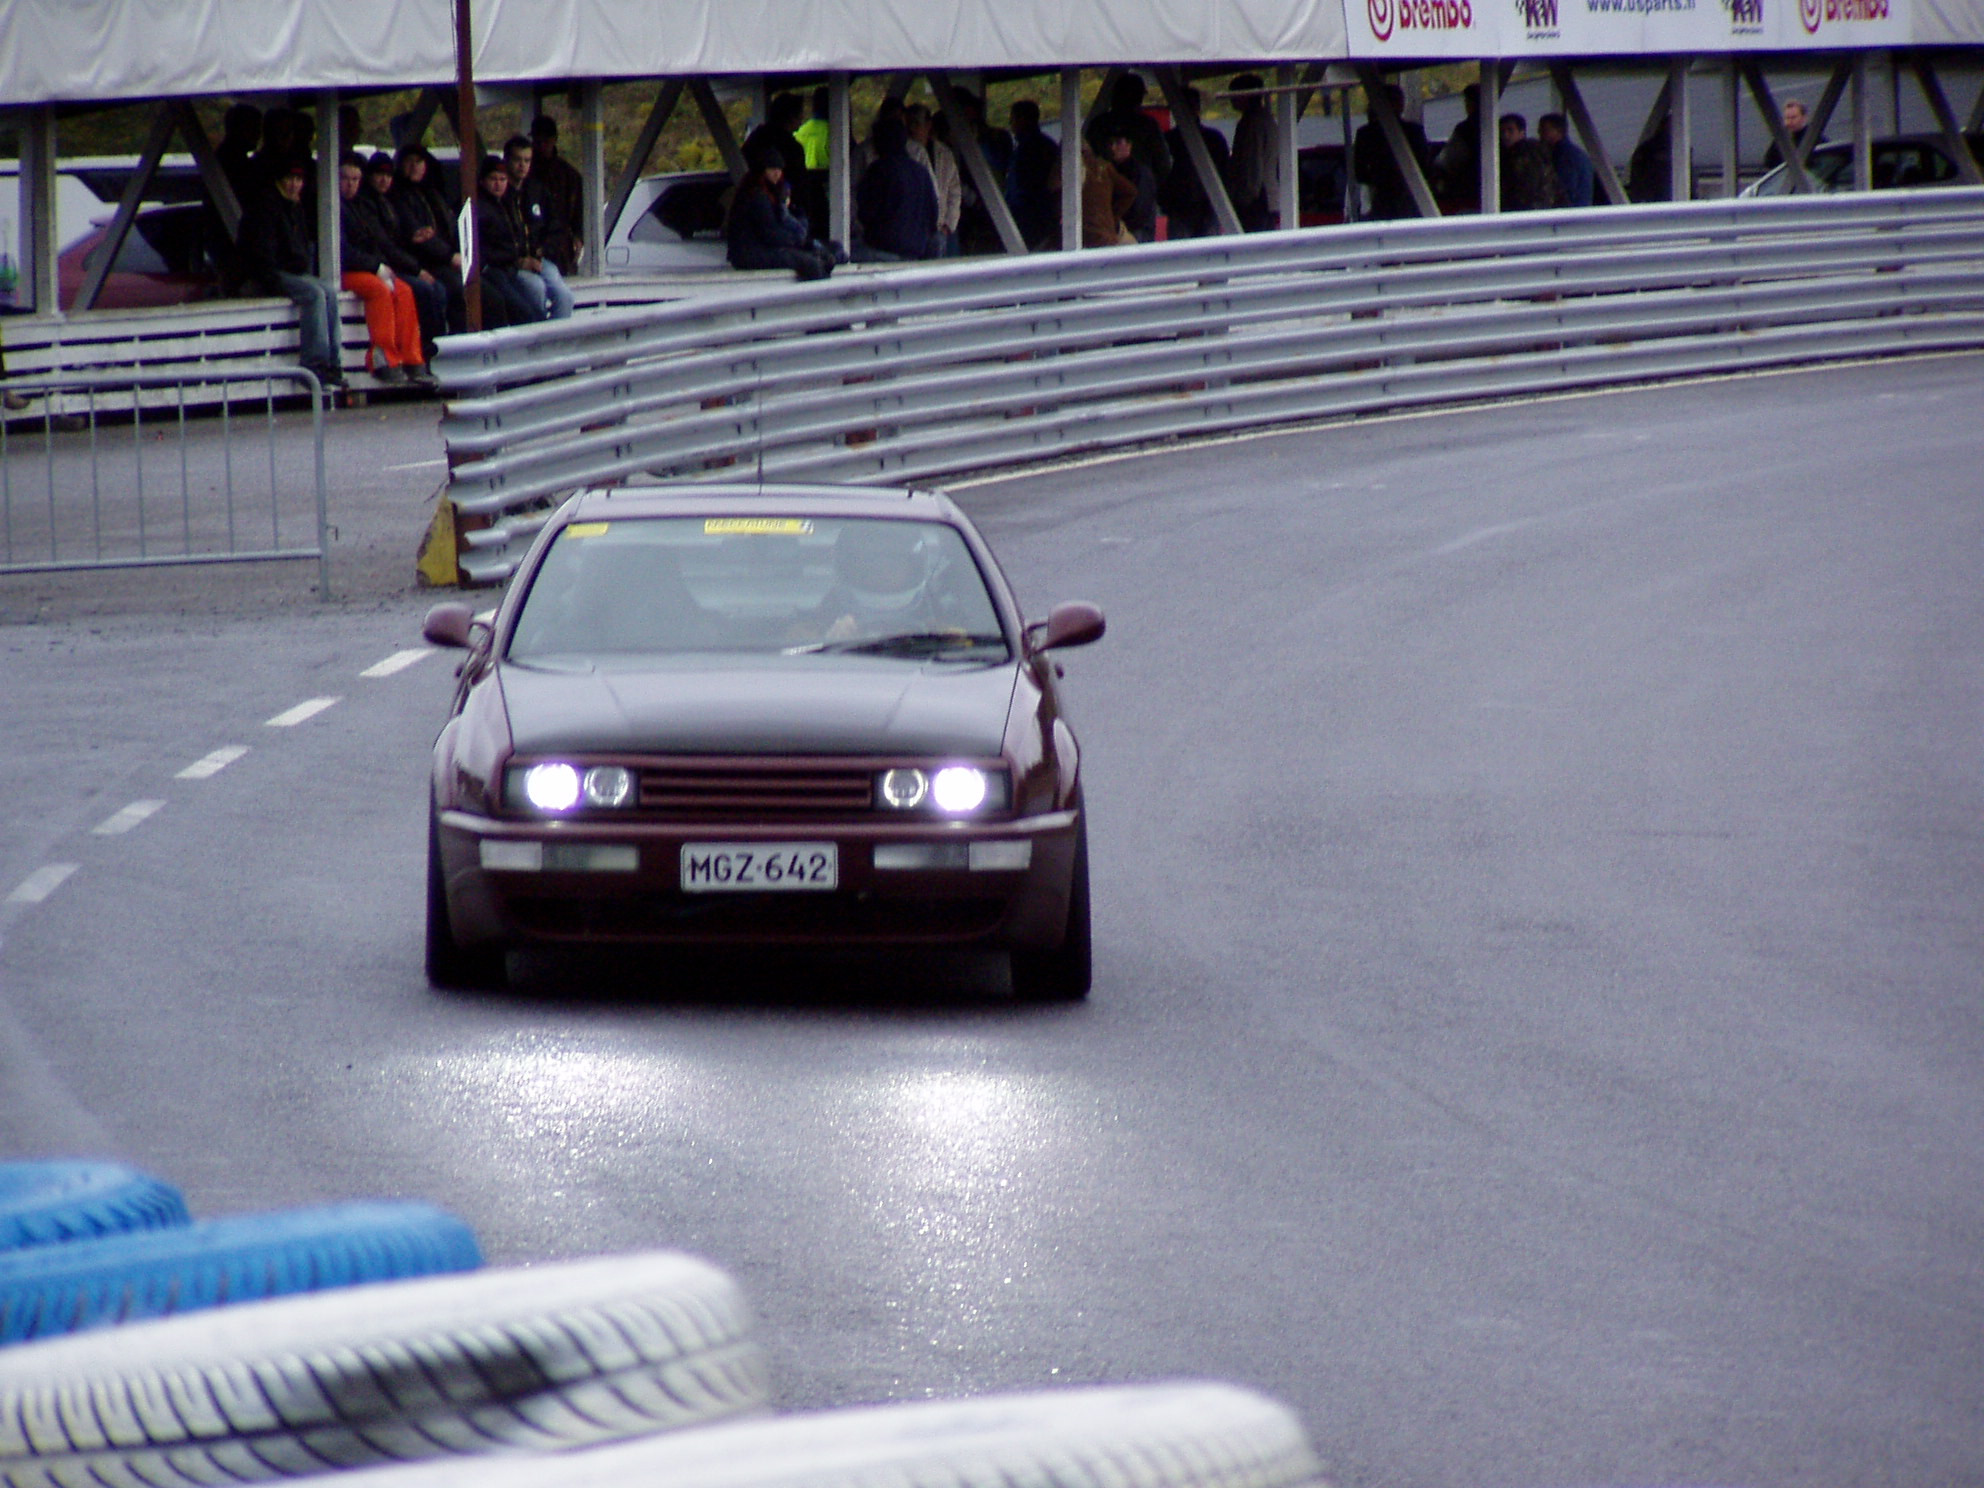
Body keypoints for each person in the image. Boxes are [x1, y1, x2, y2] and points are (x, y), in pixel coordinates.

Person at [235, 157, 343, 388]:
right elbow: (260, 254)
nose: (294, 185)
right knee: (313, 294)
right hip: (270, 273)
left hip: (292, 271)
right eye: (289, 179)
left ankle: (334, 364)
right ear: (279, 180)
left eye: (298, 179)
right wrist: (272, 277)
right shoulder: (265, 207)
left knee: (329, 291)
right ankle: (314, 366)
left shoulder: (294, 206)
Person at [335, 152, 432, 386]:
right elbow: (342, 251)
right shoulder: (332, 206)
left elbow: (375, 242)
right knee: (379, 290)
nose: (350, 185)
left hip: (368, 267)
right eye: (345, 179)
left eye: (356, 179)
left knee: (404, 290)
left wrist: (381, 265)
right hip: (342, 270)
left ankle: (412, 359)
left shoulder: (361, 206)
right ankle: (383, 358)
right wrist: (375, 266)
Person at [360, 152, 450, 361]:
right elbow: (384, 245)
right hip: (384, 267)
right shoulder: (368, 204)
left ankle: (438, 346)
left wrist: (413, 239)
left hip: (396, 263)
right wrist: (416, 268)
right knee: (424, 289)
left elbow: (396, 240)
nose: (384, 180)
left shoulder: (386, 201)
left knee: (439, 288)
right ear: (370, 177)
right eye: (379, 175)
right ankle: (426, 351)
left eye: (388, 176)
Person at [725, 142, 835, 279]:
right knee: (809, 262)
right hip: (750, 253)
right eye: (772, 169)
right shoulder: (756, 195)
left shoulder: (771, 192)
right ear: (762, 170)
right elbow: (770, 233)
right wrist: (797, 241)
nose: (777, 173)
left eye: (779, 169)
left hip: (759, 249)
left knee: (823, 254)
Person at [392, 145, 467, 335]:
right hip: (424, 261)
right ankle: (441, 346)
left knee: (479, 287)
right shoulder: (399, 196)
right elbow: (418, 235)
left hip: (446, 258)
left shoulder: (432, 193)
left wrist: (458, 252)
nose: (414, 167)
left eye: (419, 162)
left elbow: (449, 227)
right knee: (452, 289)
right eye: (409, 162)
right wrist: (450, 256)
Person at [503, 136, 574, 319]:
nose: (522, 166)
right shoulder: (499, 195)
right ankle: (539, 338)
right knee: (536, 290)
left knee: (564, 296)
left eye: (527, 160)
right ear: (507, 161)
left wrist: (544, 249)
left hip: (540, 259)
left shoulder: (537, 190)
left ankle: (558, 342)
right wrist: (519, 260)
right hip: (513, 265)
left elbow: (555, 227)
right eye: (517, 160)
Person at [472, 154, 546, 329]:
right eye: (493, 179)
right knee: (521, 310)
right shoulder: (479, 208)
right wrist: (514, 258)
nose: (498, 184)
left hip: (510, 268)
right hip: (491, 270)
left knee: (534, 304)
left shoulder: (507, 203)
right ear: (482, 181)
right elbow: (483, 249)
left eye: (502, 179)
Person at [855, 114, 938, 261]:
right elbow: (933, 213)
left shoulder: (878, 170)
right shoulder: (921, 172)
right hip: (916, 250)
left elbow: (865, 211)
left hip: (882, 249)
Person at [1353, 83, 1434, 220]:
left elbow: (1359, 172)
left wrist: (1376, 178)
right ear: (1400, 104)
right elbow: (1426, 167)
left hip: (1380, 200)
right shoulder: (1413, 132)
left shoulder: (1366, 134)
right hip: (1411, 200)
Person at [1160, 86, 1232, 239]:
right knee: (1187, 256)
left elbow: (1226, 172)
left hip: (1207, 206)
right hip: (1182, 207)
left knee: (1199, 255)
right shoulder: (1213, 138)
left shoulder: (1170, 140)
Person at [1085, 73, 1171, 188]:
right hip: (1138, 187)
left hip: (1106, 188)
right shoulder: (1147, 125)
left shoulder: (1099, 124)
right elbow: (1163, 165)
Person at [528, 114, 586, 275]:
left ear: (554, 140)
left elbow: (579, 211)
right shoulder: (526, 172)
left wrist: (578, 236)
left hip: (561, 244)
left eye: (545, 141)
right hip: (533, 242)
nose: (541, 146)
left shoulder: (569, 175)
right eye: (537, 141)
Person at [904, 104, 962, 257]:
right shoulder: (903, 152)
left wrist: (949, 224)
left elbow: (954, 190)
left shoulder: (944, 153)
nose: (912, 128)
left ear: (928, 125)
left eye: (916, 123)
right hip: (914, 230)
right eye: (908, 123)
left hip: (942, 227)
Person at [1005, 99, 1060, 249]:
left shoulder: (1031, 148)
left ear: (1023, 119)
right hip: (1034, 212)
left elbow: (1030, 185)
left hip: (1031, 214)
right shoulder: (1043, 145)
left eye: (1013, 118)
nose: (1011, 123)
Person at [1228, 74, 1279, 231]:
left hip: (1257, 197)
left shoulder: (1252, 122)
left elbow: (1253, 162)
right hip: (1269, 195)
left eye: (1233, 94)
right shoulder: (1267, 119)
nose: (1231, 99)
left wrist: (1245, 198)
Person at [1499, 113, 1567, 210]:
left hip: (1532, 210)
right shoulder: (1511, 154)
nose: (1505, 135)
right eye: (1502, 131)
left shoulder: (1526, 153)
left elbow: (1530, 186)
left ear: (1522, 132)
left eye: (1510, 130)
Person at [1432, 83, 1482, 207]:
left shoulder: (1466, 129)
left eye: (1467, 102)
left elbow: (1448, 160)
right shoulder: (1498, 126)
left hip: (1467, 193)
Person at [1080, 140, 1136, 247]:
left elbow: (1052, 186)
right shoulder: (1103, 166)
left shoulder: (1067, 166)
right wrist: (1112, 216)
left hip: (1085, 233)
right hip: (1106, 231)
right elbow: (1130, 191)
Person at [1105, 130, 1158, 243]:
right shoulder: (1112, 169)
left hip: (1137, 230)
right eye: (1111, 143)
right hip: (1123, 228)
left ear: (1129, 145)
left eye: (1118, 143)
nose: (1113, 148)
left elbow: (1141, 207)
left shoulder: (1139, 173)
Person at [1536, 113, 1594, 207]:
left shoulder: (1565, 155)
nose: (1540, 133)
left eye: (1544, 130)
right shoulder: (1575, 153)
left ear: (1559, 131)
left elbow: (1566, 188)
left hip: (1570, 212)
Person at [1762, 98, 1821, 170]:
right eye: (1787, 118)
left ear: (1804, 118)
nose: (1789, 122)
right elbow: (1769, 162)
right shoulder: (1781, 138)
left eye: (1793, 118)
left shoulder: (1814, 137)